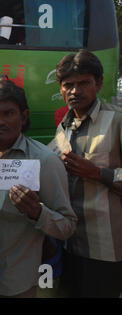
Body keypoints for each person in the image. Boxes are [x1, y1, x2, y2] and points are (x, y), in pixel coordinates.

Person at [0, 78, 77, 297]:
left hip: (14, 283)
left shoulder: (43, 161)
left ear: (23, 116)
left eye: (8, 113)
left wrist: (36, 212)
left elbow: (67, 226)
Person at [54, 49, 122, 297]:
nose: (75, 91)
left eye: (83, 83)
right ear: (60, 89)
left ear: (99, 82)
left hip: (107, 249)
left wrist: (97, 173)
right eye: (68, 85)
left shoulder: (116, 121)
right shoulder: (63, 130)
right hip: (69, 246)